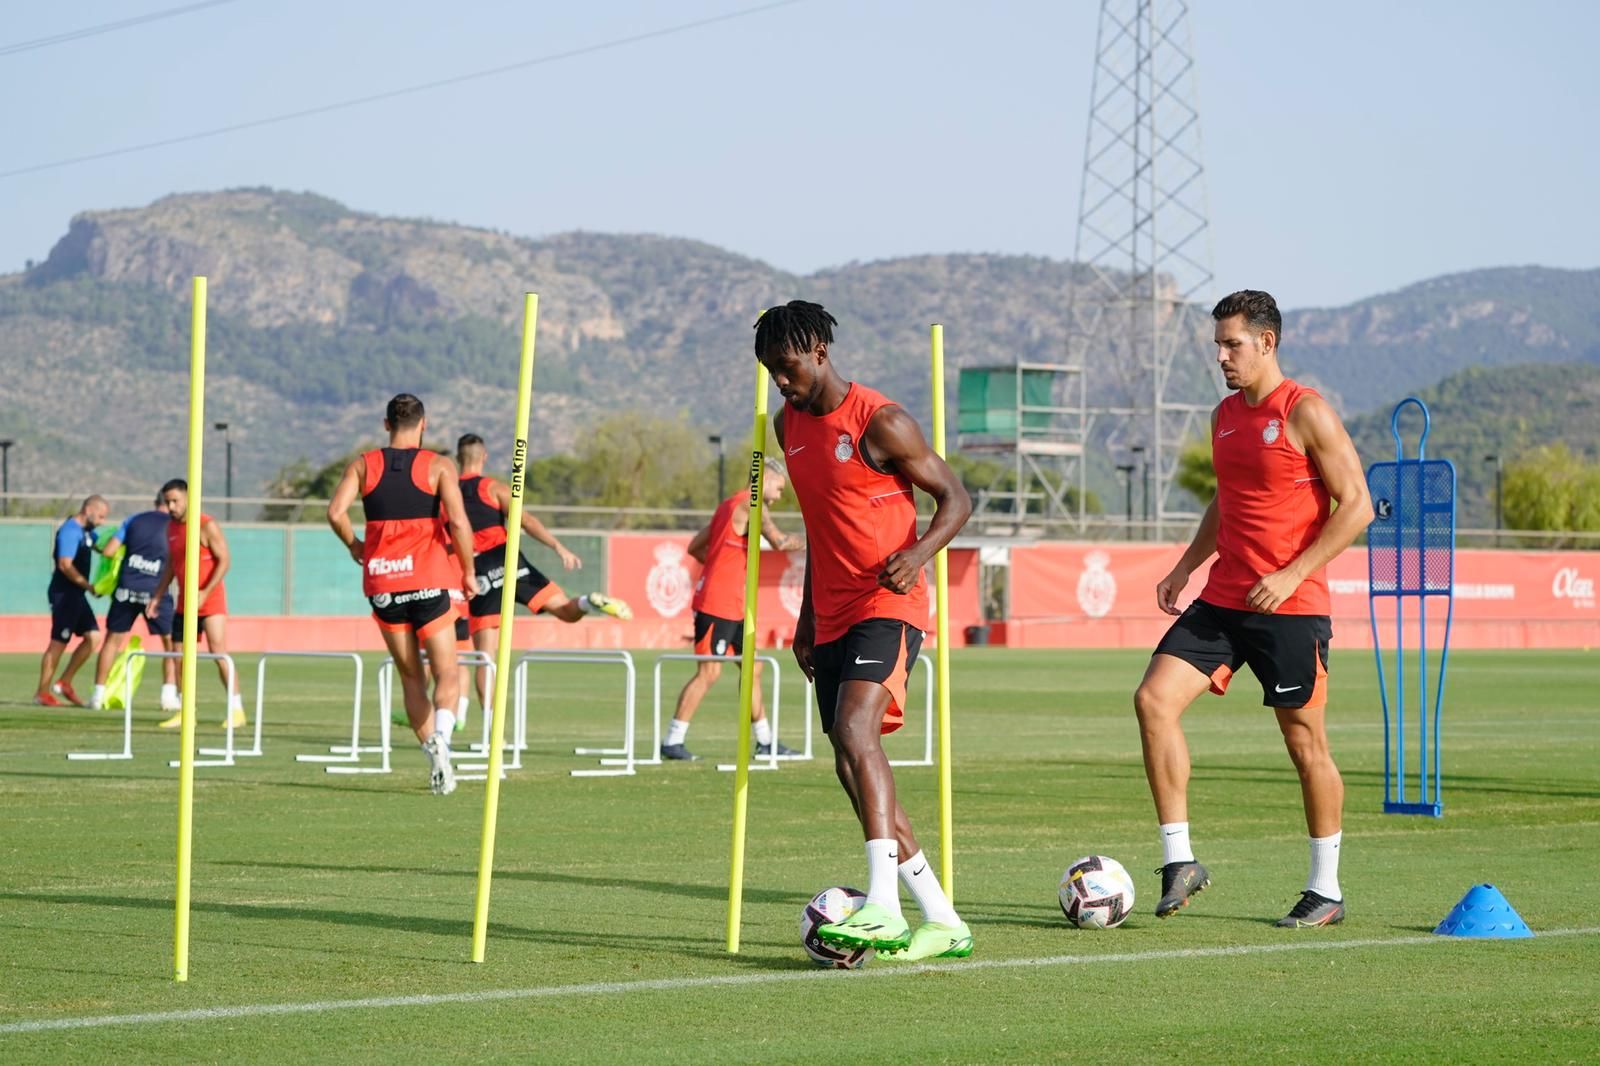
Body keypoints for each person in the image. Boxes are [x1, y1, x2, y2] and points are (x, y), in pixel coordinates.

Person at [1134, 289, 1373, 929]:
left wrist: (1292, 572)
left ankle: (1326, 889)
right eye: (1217, 344)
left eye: (1232, 344)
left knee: (1305, 746)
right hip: (1221, 600)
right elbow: (1228, 499)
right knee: (1152, 701)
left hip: (1291, 609)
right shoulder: (1223, 416)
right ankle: (1179, 859)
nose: (1221, 356)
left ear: (1266, 342)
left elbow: (1358, 506)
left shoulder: (1307, 412)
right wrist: (1186, 566)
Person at [757, 300, 973, 962]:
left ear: (819, 351)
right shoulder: (784, 423)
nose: (780, 382)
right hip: (831, 612)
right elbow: (822, 528)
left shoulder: (881, 422)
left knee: (857, 732)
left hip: (890, 603)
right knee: (850, 764)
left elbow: (958, 498)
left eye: (787, 367)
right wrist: (804, 618)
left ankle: (881, 904)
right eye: (769, 371)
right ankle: (941, 916)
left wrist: (919, 553)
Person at [327, 394, 477, 795]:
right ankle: (443, 740)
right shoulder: (439, 466)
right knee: (447, 673)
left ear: (385, 424)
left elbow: (335, 512)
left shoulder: (362, 464)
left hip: (384, 585)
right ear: (423, 424)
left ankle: (434, 757)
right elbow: (459, 524)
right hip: (429, 581)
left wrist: (355, 546)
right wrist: (469, 572)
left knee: (411, 677)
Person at [452, 433, 633, 712]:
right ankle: (588, 601)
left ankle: (491, 733)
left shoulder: (447, 493)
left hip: (480, 570)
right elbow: (525, 520)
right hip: (509, 559)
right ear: (484, 457)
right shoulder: (492, 488)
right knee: (565, 610)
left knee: (486, 657)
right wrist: (558, 547)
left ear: (457, 458)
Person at [661, 458, 803, 761]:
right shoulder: (753, 505)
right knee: (709, 672)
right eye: (779, 487)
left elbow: (696, 547)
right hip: (717, 602)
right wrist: (813, 541)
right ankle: (673, 740)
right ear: (765, 478)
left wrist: (723, 559)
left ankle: (765, 741)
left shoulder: (729, 504)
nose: (779, 495)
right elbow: (778, 542)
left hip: (735, 603)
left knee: (753, 667)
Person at [150, 479, 245, 728]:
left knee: (218, 652)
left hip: (210, 602)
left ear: (188, 498)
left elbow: (225, 560)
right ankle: (186, 709)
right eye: (167, 501)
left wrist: (205, 591)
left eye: (175, 501)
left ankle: (236, 709)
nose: (171, 506)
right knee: (179, 656)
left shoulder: (206, 524)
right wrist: (157, 596)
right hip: (184, 603)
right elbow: (172, 564)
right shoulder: (171, 527)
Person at [89, 495, 181, 713]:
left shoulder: (133, 520)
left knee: (112, 642)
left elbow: (109, 551)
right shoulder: (175, 526)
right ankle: (168, 697)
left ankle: (97, 696)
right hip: (156, 591)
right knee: (171, 645)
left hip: (126, 588)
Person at [34, 495, 109, 706]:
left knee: (93, 637)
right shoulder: (70, 531)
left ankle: (65, 681)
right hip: (64, 594)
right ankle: (42, 692)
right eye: (101, 516)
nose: (102, 522)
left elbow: (103, 547)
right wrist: (89, 586)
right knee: (59, 642)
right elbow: (65, 565)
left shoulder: (87, 533)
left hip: (77, 594)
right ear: (88, 510)